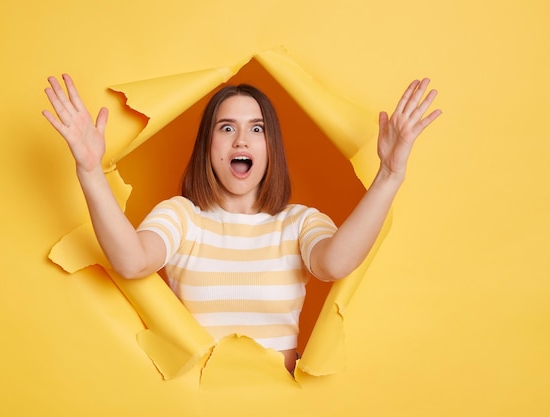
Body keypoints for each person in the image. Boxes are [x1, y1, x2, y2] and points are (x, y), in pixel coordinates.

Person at [42, 74, 441, 373]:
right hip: (194, 403)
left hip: (283, 403)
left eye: (257, 129)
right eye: (226, 128)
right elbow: (131, 261)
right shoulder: (181, 216)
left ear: (270, 148)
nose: (241, 141)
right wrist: (90, 171)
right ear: (208, 145)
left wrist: (389, 174)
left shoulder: (298, 223)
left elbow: (335, 263)